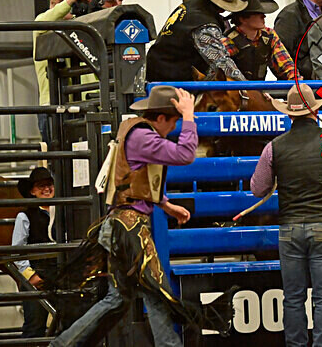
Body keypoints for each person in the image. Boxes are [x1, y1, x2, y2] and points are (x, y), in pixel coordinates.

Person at [50, 86, 226, 346]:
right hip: (130, 229)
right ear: (162, 118)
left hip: (122, 225)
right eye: (174, 120)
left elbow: (132, 180)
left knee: (119, 299)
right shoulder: (144, 137)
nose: (175, 127)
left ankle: (62, 345)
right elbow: (185, 154)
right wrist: (189, 116)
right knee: (157, 293)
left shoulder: (136, 132)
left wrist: (165, 205)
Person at [250, 84, 322, 347]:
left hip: (290, 229)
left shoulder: (274, 147)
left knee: (293, 297)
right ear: (314, 111)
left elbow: (257, 188)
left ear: (289, 114)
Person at [146, 0, 248, 82]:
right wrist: (247, 87)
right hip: (170, 79)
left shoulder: (191, 5)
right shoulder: (205, 24)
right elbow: (221, 62)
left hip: (161, 71)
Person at [33, 0, 91, 143]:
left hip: (76, 105)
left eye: (59, 2)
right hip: (50, 105)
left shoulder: (79, 29)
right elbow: (49, 18)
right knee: (56, 159)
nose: (54, 7)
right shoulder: (41, 24)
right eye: (52, 3)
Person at [12, 167, 56, 338]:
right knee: (34, 325)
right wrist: (31, 276)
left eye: (49, 184)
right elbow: (17, 252)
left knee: (66, 322)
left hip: (58, 274)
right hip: (36, 276)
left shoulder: (63, 210)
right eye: (41, 186)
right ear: (32, 191)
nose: (46, 189)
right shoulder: (24, 216)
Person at [222, 0, 300, 80]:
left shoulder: (269, 35)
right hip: (237, 91)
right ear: (242, 18)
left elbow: (286, 66)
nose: (264, 16)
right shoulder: (228, 41)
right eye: (257, 13)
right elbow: (221, 74)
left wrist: (297, 82)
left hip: (261, 90)